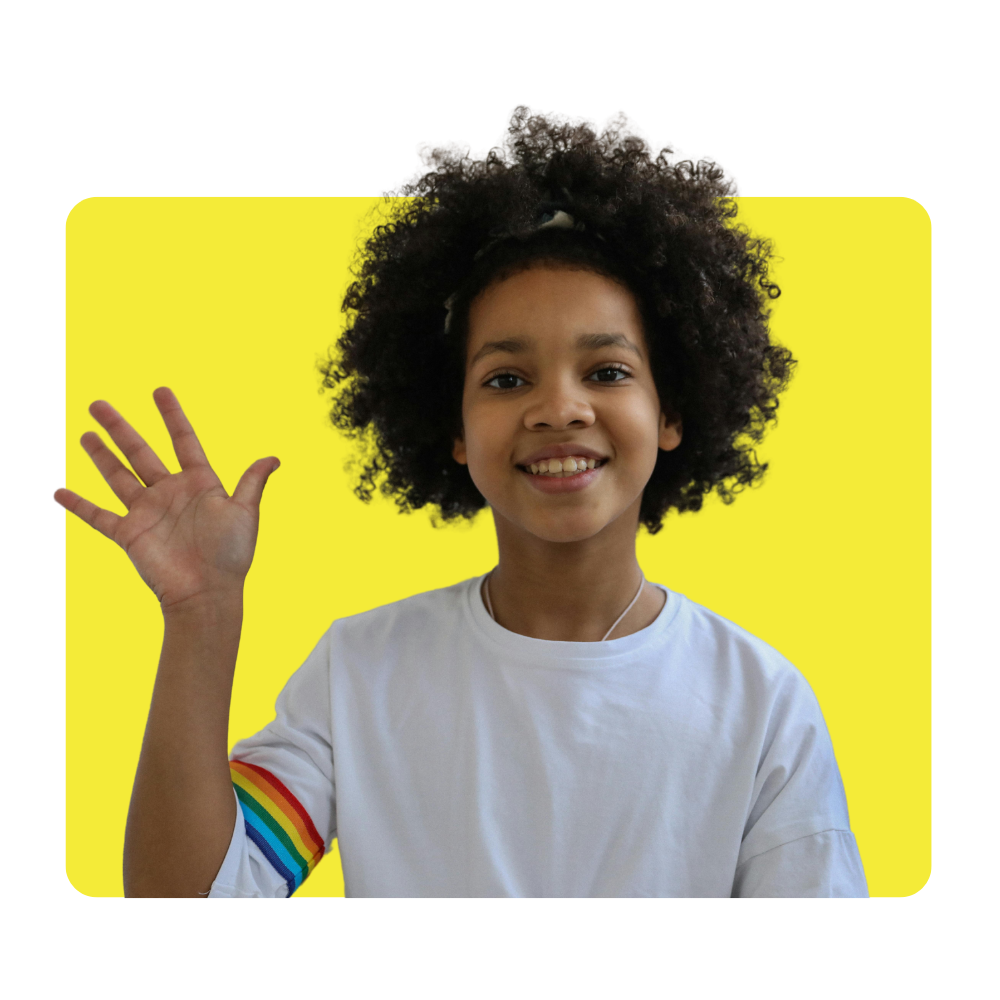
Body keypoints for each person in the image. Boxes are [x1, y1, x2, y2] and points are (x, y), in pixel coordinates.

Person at [61, 106, 868, 909]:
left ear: (672, 411)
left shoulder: (761, 704)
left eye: (609, 372)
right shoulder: (362, 672)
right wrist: (202, 616)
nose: (560, 408)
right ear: (452, 427)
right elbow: (186, 903)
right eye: (506, 379)